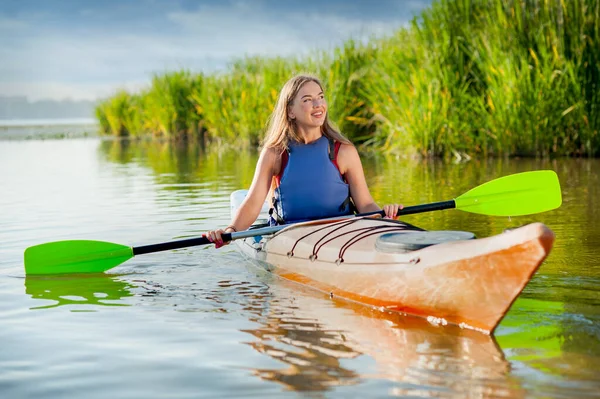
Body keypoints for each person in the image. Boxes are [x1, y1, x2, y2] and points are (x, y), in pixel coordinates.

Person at [205, 74, 402, 248]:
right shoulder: (275, 153)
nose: (318, 105)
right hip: (290, 236)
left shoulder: (344, 151)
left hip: (341, 233)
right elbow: (253, 203)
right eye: (308, 100)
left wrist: (384, 215)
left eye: (321, 97)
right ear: (290, 111)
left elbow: (365, 204)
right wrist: (230, 231)